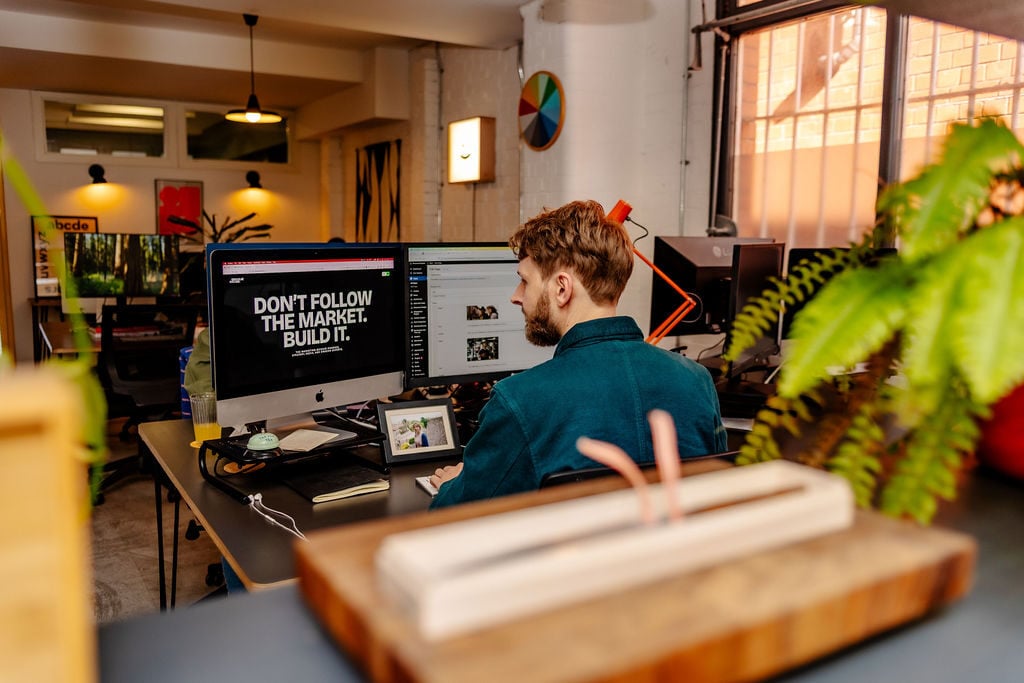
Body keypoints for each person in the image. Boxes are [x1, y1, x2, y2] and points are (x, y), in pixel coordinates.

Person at [429, 200, 727, 508]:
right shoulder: (696, 380)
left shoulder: (520, 400)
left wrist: (453, 486)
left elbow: (453, 517)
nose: (516, 297)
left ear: (561, 288)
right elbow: (716, 496)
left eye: (524, 281)